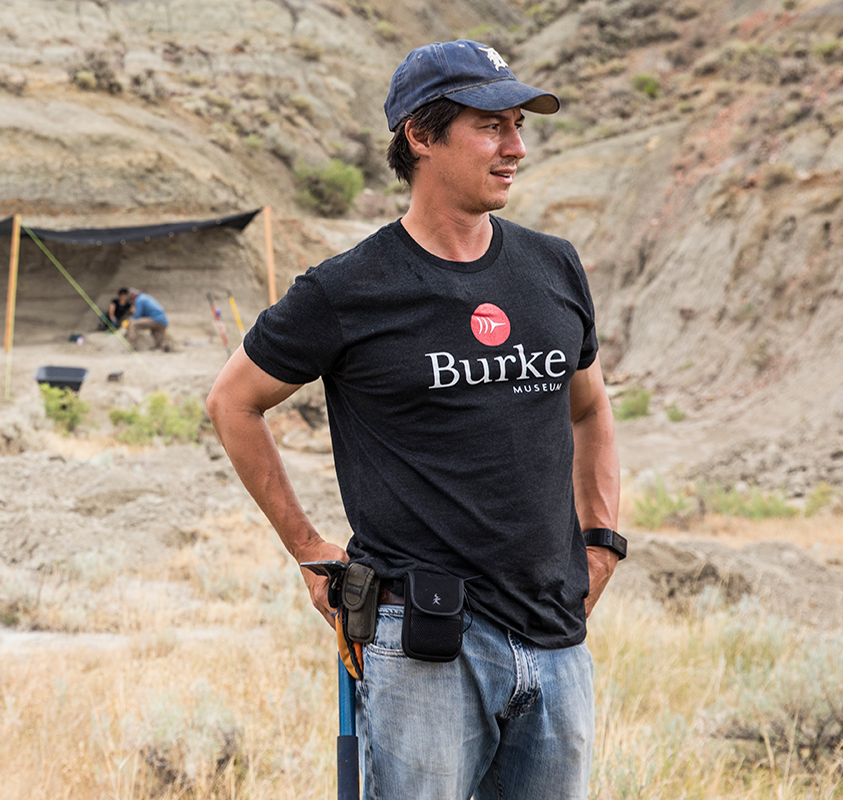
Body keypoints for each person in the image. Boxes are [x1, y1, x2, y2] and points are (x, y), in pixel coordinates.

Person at [205, 40, 621, 800]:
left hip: (558, 639)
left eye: (519, 124)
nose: (516, 147)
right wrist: (306, 548)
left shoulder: (553, 266)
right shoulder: (347, 289)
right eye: (490, 126)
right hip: (423, 644)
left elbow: (590, 408)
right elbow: (233, 401)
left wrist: (603, 541)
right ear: (420, 137)